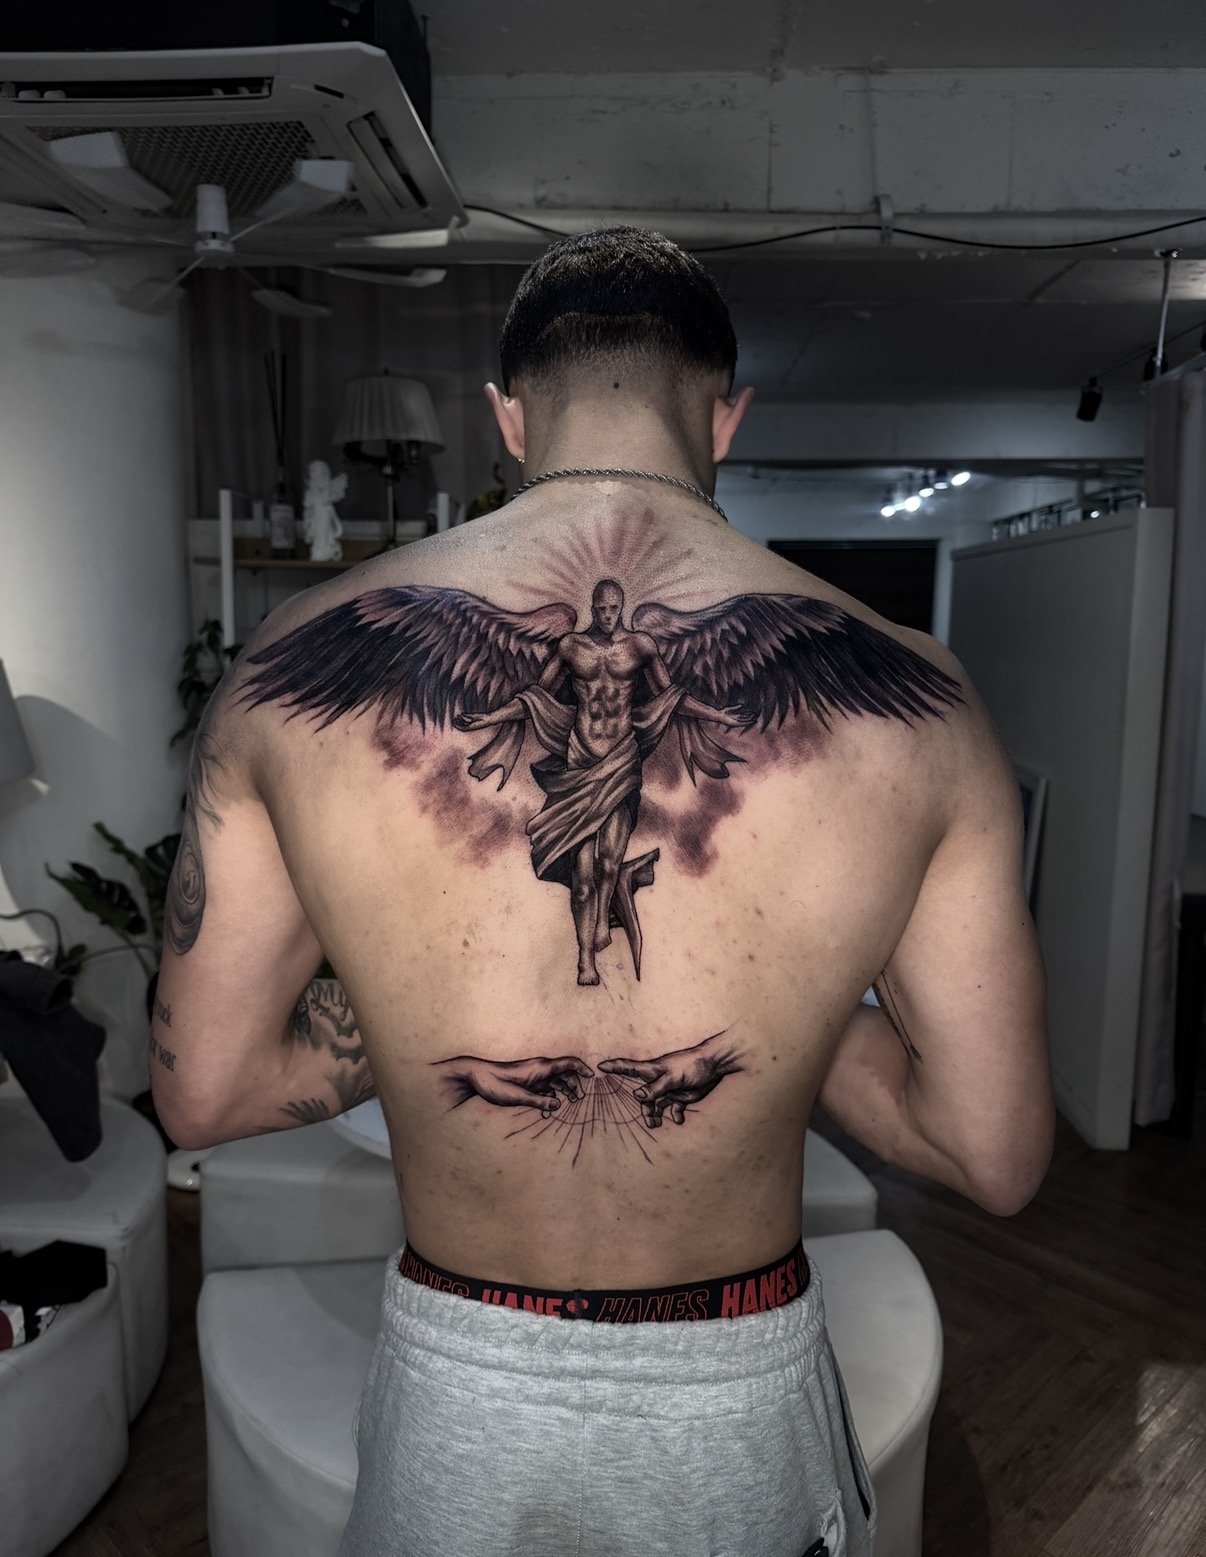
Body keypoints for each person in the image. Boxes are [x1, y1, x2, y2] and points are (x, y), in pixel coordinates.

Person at [151, 227, 1053, 1557]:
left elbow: (207, 1089)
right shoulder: (919, 694)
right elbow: (994, 1151)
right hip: (736, 1391)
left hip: (458, 1398)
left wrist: (416, 1000)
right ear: (726, 414)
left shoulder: (292, 662)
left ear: (508, 417)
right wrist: (788, 1006)